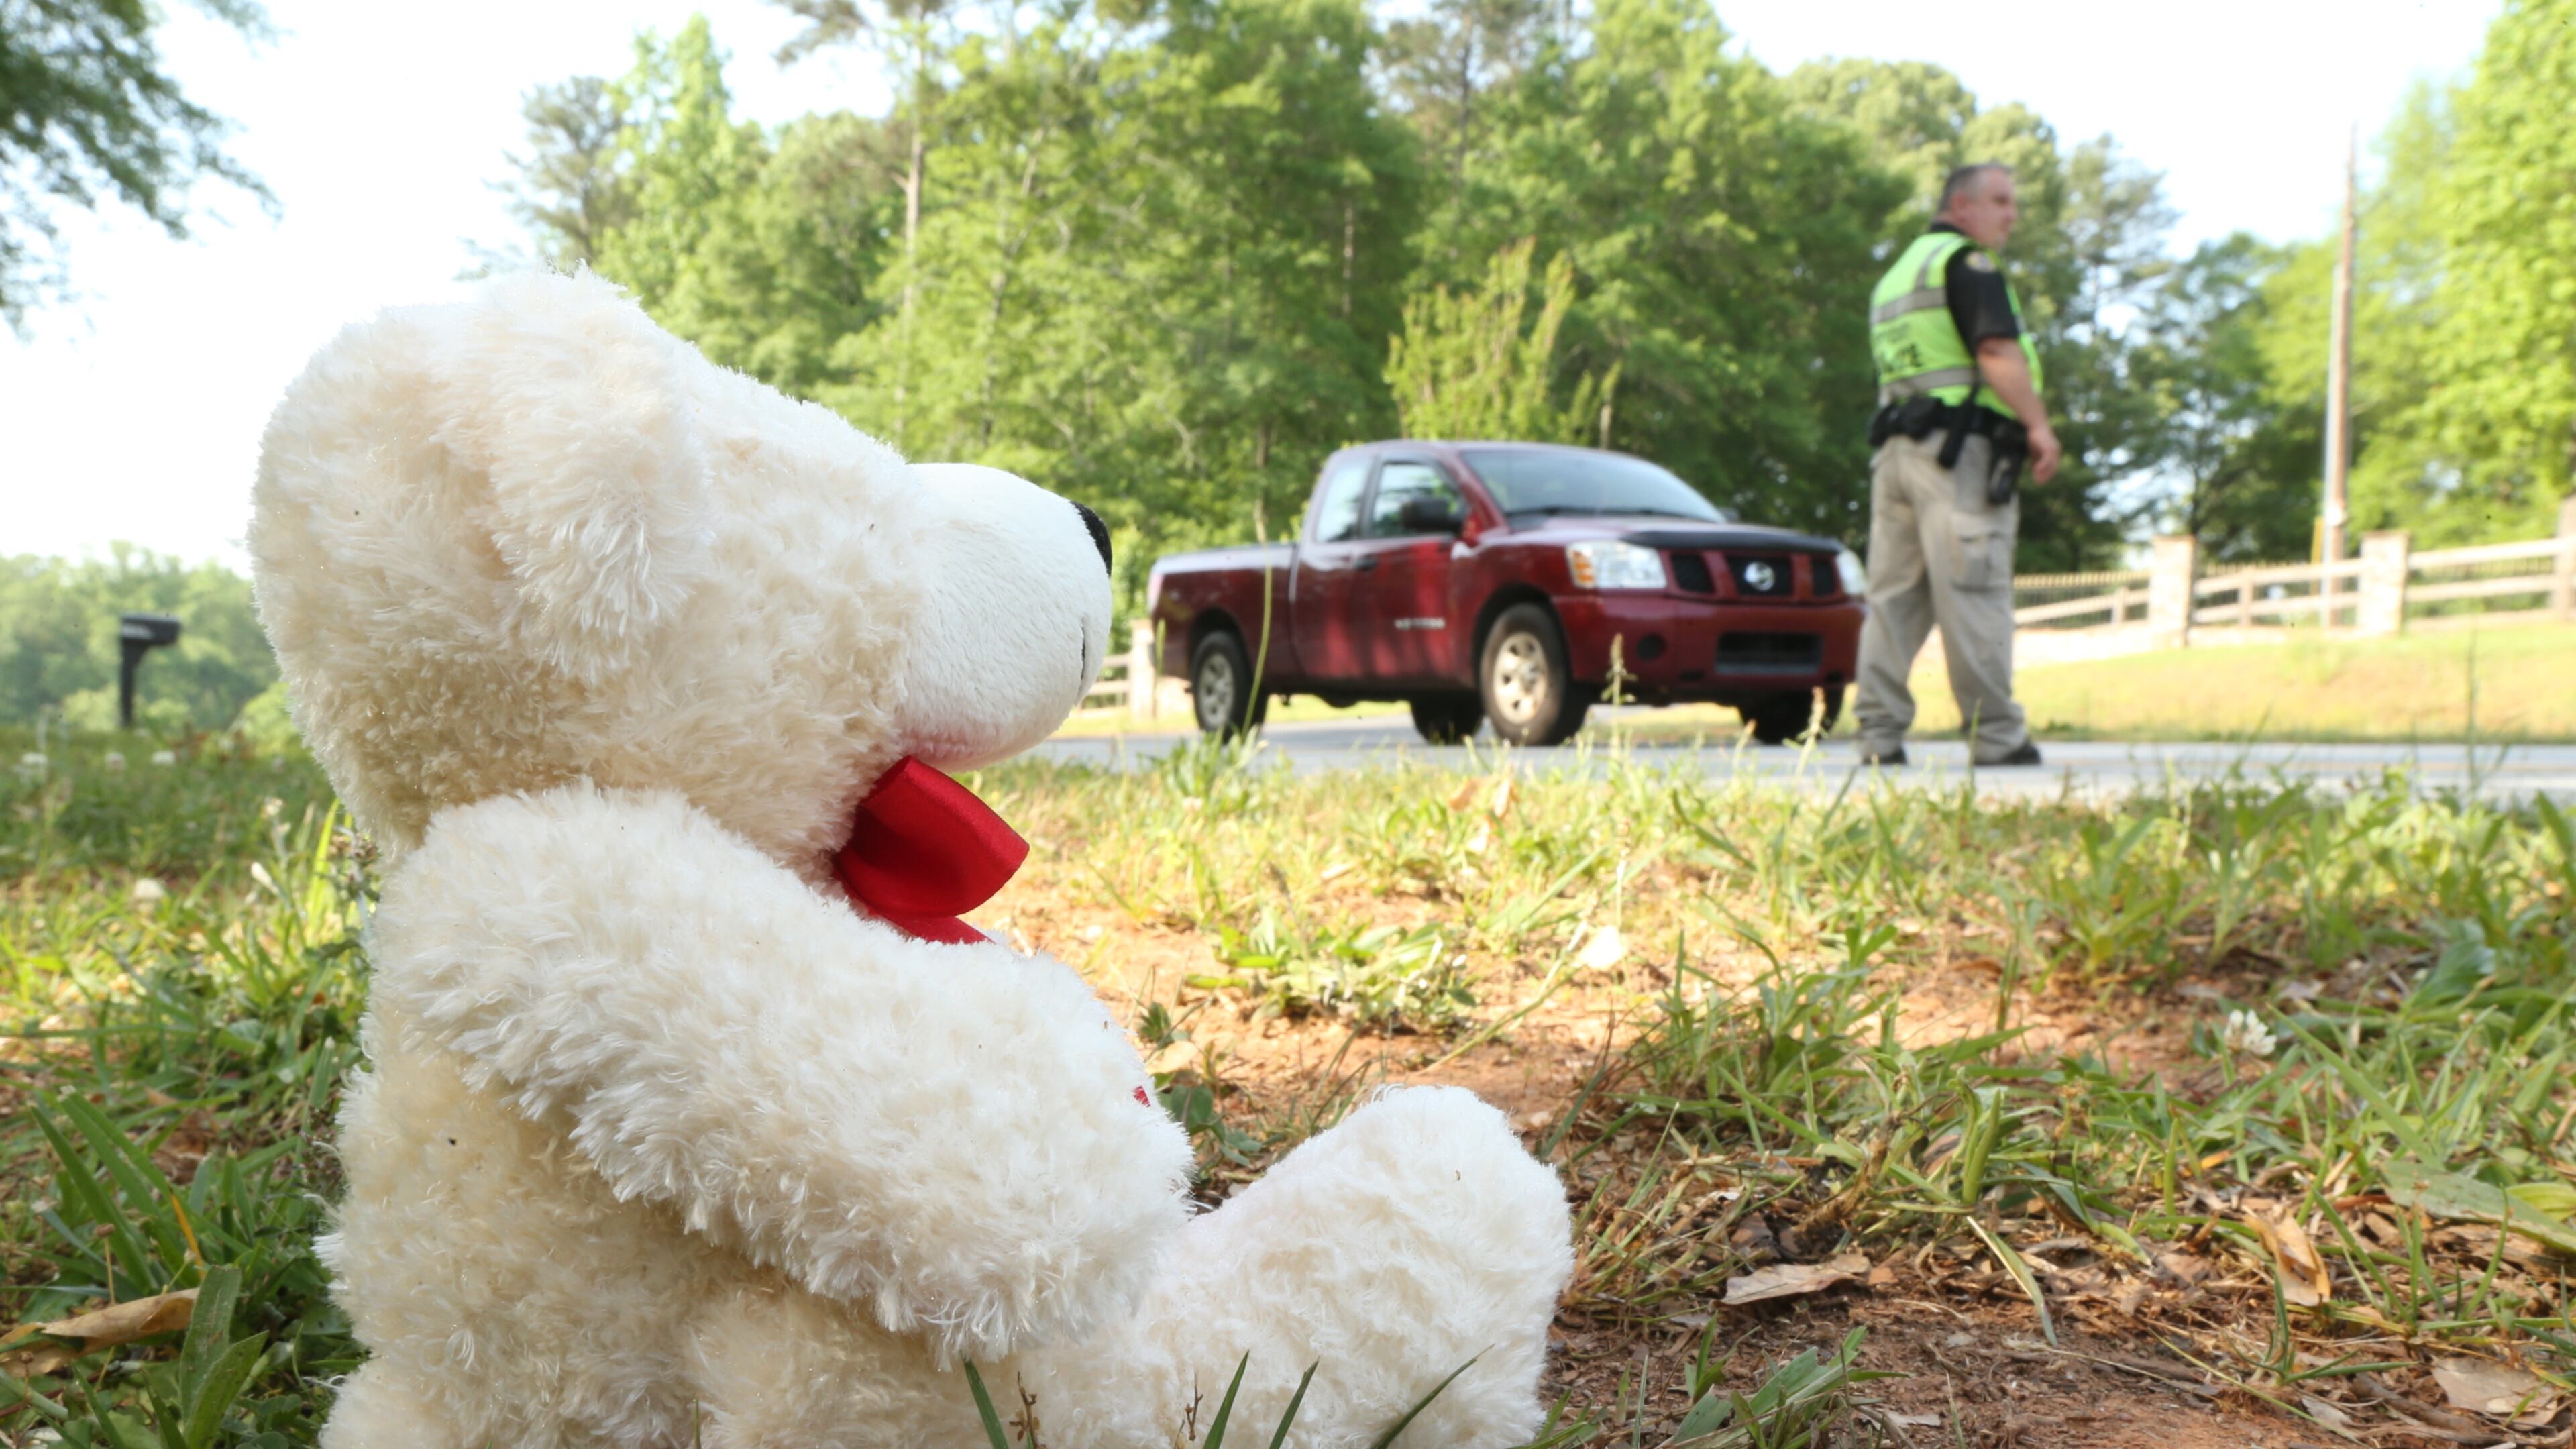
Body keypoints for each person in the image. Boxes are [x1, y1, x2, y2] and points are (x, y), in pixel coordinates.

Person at [1852, 162, 2060, 768]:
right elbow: (1995, 348)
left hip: (1897, 453)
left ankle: (1877, 736)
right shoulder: (1967, 264)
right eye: (2000, 201)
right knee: (1975, 587)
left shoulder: (1896, 276)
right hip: (1956, 456)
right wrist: (2038, 425)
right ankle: (1996, 737)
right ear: (1961, 206)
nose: (2011, 215)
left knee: (1893, 597)